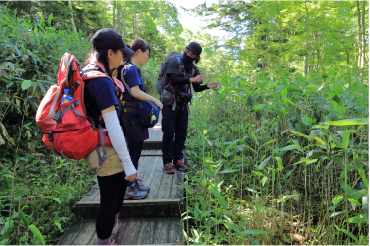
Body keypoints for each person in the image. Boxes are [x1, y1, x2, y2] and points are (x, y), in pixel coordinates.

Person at [83, 28, 136, 245]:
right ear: (110, 53)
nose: (123, 58)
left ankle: (111, 226)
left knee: (116, 190)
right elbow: (113, 127)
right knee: (108, 199)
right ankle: (105, 240)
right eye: (121, 53)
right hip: (107, 148)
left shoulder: (88, 72)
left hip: (99, 144)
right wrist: (128, 163)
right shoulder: (101, 81)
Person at [114, 39, 163, 199]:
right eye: (147, 54)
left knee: (132, 152)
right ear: (139, 52)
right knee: (133, 153)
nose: (147, 58)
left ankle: (131, 182)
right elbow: (135, 92)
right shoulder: (131, 69)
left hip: (128, 115)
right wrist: (155, 100)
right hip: (132, 117)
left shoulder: (124, 67)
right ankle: (128, 187)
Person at [161, 42, 218, 174]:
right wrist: (191, 80)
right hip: (169, 102)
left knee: (181, 133)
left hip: (183, 105)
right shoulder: (174, 63)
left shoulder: (194, 69)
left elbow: (197, 88)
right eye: (187, 51)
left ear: (196, 57)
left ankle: (178, 159)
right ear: (185, 49)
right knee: (169, 133)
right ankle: (167, 161)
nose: (188, 54)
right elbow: (174, 79)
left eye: (192, 54)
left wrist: (206, 86)